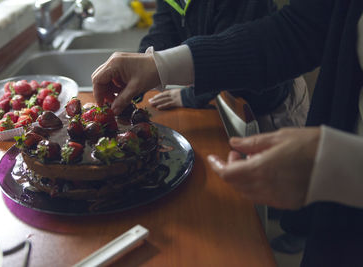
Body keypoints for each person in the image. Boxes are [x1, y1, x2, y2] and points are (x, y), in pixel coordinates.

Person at [92, 0, 363, 265]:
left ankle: (296, 230)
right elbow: (298, 31)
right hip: (344, 215)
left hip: (273, 105)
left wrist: (335, 164)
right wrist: (157, 64)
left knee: (295, 207)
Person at [138, 0, 309, 133]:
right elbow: (164, 29)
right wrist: (140, 63)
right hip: (227, 96)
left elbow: (234, 58)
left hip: (271, 105)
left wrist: (189, 97)